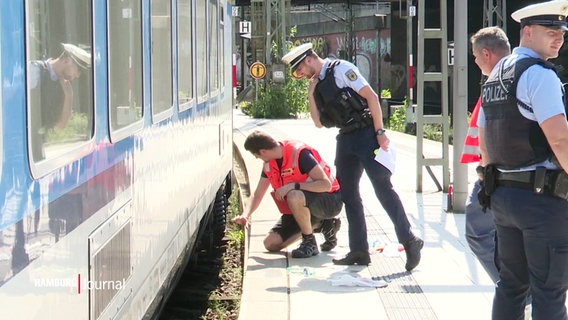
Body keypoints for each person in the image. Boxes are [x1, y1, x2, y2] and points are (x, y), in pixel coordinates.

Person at [281, 43, 423, 270]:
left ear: (308, 59)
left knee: (382, 188)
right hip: (345, 139)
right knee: (348, 194)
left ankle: (409, 241)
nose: (301, 75)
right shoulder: (317, 84)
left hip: (367, 134)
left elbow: (372, 97)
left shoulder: (341, 69)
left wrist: (380, 132)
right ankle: (359, 250)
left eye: (300, 70)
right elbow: (318, 123)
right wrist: (310, 93)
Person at [477, 1, 568, 319]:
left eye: (561, 32)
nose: (558, 38)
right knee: (549, 290)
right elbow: (559, 138)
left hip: (504, 196)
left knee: (511, 286)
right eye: (550, 31)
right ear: (527, 32)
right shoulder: (540, 75)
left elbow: (484, 141)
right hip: (541, 201)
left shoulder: (496, 74)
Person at [232, 130, 343, 258]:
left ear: (263, 151)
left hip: (329, 201)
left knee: (294, 195)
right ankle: (321, 224)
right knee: (270, 243)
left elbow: (325, 184)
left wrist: (293, 186)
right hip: (300, 208)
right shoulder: (269, 164)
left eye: (256, 155)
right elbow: (257, 195)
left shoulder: (299, 153)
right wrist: (245, 215)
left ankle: (309, 242)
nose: (257, 158)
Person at [460, 26, 511, 284]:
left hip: (497, 174)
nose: (475, 61)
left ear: (487, 54)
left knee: (478, 232)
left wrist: (485, 173)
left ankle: (515, 291)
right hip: (509, 173)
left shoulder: (498, 83)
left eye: (476, 56)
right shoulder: (517, 76)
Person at [28, 43, 91, 160]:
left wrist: (68, 96)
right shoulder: (34, 71)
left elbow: (61, 125)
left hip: (35, 146)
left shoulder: (62, 86)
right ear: (66, 60)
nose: (77, 75)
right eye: (77, 70)